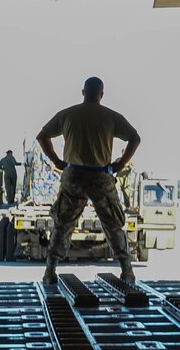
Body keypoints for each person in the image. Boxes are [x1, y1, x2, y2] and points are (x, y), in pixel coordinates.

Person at [35, 76, 140, 283]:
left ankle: (50, 271)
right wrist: (120, 164)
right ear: (101, 94)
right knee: (113, 224)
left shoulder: (67, 115)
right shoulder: (111, 117)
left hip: (73, 174)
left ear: (83, 92)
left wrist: (56, 160)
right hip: (101, 175)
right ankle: (127, 270)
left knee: (63, 224)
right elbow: (135, 138)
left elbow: (42, 136)